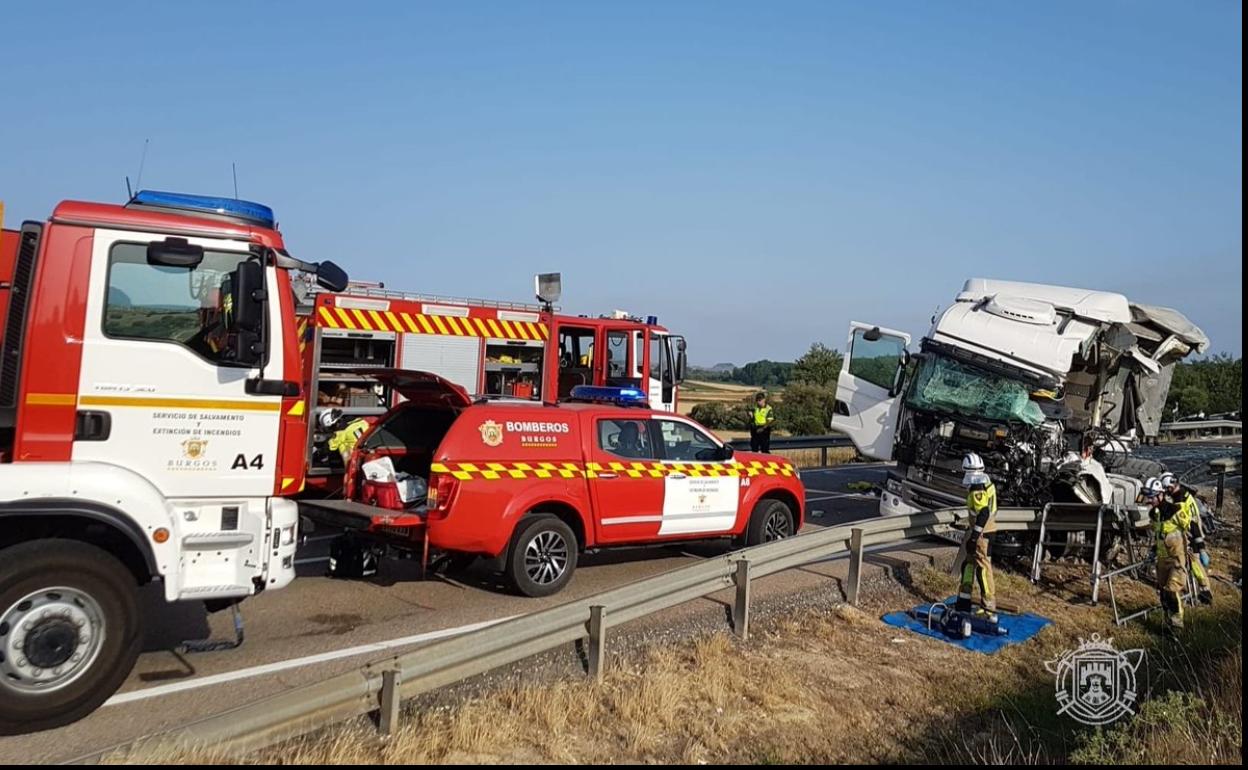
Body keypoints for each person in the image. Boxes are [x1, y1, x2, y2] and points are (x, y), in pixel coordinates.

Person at [1143, 476, 1191, 630]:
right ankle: (1168, 623)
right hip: (1163, 556)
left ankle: (1177, 624)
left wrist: (1199, 546)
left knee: (1172, 590)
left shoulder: (1175, 510)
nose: (1149, 501)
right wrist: (1154, 552)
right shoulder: (1154, 515)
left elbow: (1191, 527)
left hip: (1177, 556)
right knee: (1163, 593)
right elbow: (1158, 535)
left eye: (1151, 497)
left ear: (1160, 495)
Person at [956, 452, 998, 622]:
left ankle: (988, 607)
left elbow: (984, 512)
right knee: (968, 564)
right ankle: (964, 599)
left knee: (982, 569)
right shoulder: (987, 483)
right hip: (986, 531)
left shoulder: (977, 490)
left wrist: (973, 537)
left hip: (982, 534)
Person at [1161, 472, 1213, 605]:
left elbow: (1190, 523)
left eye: (1167, 489)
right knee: (1195, 563)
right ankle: (1203, 590)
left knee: (1194, 563)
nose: (1166, 492)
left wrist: (1201, 548)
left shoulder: (1180, 502)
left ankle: (1204, 592)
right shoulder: (1185, 493)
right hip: (1195, 531)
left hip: (1190, 535)